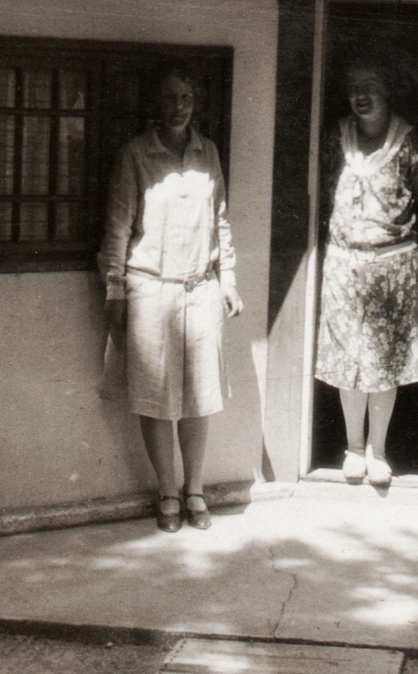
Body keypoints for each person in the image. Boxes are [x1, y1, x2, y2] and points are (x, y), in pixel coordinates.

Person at [99, 63, 243, 533]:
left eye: (186, 97)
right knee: (157, 398)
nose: (179, 107)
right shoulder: (136, 155)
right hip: (151, 291)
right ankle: (166, 492)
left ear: (195, 103)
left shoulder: (208, 153)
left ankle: (195, 488)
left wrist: (228, 279)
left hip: (200, 288)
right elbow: (118, 225)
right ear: (155, 104)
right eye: (170, 98)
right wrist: (115, 288)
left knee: (199, 395)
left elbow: (221, 220)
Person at [314, 59, 418, 485]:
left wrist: (405, 252)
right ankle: (352, 447)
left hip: (392, 267)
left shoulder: (410, 142)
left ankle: (377, 450)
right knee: (347, 357)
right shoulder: (338, 137)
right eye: (354, 87)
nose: (361, 95)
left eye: (369, 85)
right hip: (344, 264)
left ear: (387, 91)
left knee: (384, 361)